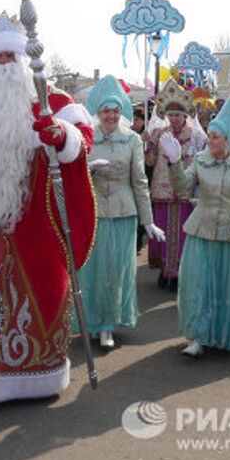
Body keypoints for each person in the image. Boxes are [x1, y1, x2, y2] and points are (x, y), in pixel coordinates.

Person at [0, 11, 96, 403]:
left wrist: (63, 136)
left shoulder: (51, 100)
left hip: (32, 225)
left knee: (36, 294)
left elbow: (83, 139)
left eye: (10, 57)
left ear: (24, 60)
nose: (4, 65)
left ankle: (32, 379)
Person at [160, 98, 230, 357]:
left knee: (228, 288)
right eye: (209, 135)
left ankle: (226, 336)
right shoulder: (201, 160)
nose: (209, 140)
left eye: (215, 136)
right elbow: (182, 185)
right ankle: (198, 337)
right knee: (199, 286)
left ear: (227, 138)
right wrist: (174, 163)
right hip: (202, 232)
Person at [79, 75, 164, 348]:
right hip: (94, 214)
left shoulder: (132, 141)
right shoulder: (87, 139)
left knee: (116, 271)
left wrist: (148, 222)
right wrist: (88, 170)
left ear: (121, 112)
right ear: (98, 112)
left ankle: (108, 326)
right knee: (92, 271)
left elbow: (140, 182)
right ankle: (92, 321)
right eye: (106, 110)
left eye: (115, 111)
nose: (111, 115)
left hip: (123, 214)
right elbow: (75, 179)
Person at [145, 79, 206, 291]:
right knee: (163, 233)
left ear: (186, 116)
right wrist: (149, 147)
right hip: (162, 189)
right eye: (170, 115)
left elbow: (201, 163)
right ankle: (165, 271)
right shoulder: (158, 134)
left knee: (182, 234)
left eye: (178, 115)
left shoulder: (196, 136)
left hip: (184, 190)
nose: (174, 119)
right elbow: (150, 163)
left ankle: (180, 273)